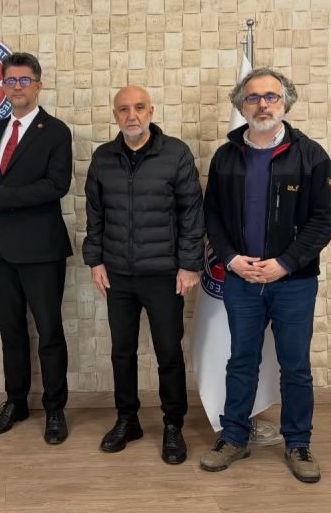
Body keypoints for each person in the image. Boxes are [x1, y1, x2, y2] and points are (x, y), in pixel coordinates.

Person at [199, 67, 331, 483]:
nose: (262, 104)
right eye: (253, 97)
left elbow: (323, 221)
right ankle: (234, 437)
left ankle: (298, 443)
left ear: (285, 102)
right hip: (241, 279)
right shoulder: (226, 157)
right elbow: (212, 215)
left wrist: (285, 263)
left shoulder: (311, 155)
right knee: (241, 360)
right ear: (241, 105)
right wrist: (231, 258)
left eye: (271, 96)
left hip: (293, 282)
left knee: (295, 366)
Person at [82, 85, 204, 464]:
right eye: (123, 109)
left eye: (138, 108)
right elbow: (95, 215)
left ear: (151, 111)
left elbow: (191, 212)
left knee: (168, 352)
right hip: (117, 275)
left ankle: (173, 425)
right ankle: (127, 420)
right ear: (115, 115)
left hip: (164, 275)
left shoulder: (176, 154)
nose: (131, 115)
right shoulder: (103, 158)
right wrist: (95, 261)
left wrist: (189, 264)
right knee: (122, 351)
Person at [0, 52, 73, 444]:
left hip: (42, 250)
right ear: (2, 86)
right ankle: (15, 402)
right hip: (1, 249)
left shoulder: (56, 131)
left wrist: (3, 198)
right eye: (10, 81)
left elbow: (56, 185)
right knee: (10, 330)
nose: (16, 87)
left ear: (38, 85)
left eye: (23, 80)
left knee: (48, 332)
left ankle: (55, 409)